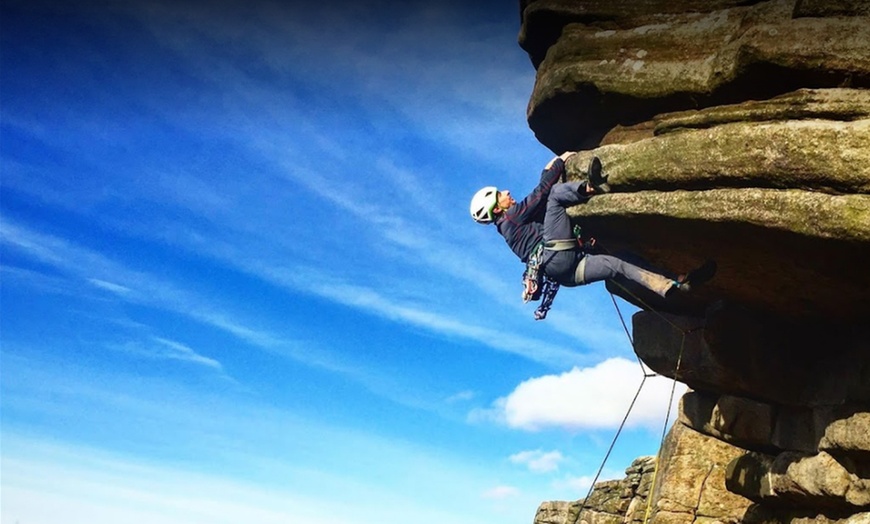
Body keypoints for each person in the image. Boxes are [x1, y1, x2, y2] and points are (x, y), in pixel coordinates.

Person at [469, 152, 715, 303]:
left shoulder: (512, 227)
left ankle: (675, 283)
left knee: (618, 262)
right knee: (554, 194)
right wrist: (558, 164)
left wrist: (584, 243)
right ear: (496, 208)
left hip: (566, 272)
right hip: (558, 255)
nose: (507, 192)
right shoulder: (510, 218)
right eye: (500, 194)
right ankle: (591, 187)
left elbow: (540, 218)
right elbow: (541, 195)